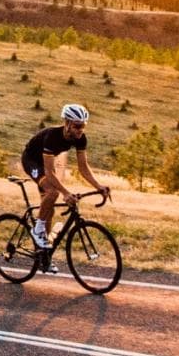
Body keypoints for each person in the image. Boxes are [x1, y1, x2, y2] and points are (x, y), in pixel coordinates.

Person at [21, 102, 110, 249]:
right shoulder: (52, 136)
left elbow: (83, 167)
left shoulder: (81, 138)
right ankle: (37, 230)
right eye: (77, 126)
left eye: (83, 126)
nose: (80, 130)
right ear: (67, 123)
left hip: (46, 163)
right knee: (53, 192)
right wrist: (66, 193)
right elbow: (49, 172)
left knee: (49, 207)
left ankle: (43, 252)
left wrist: (98, 186)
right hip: (31, 161)